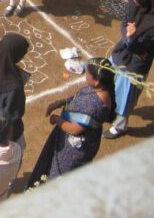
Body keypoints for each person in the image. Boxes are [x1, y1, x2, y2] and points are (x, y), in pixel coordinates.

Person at [27, 58, 115, 186]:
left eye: (87, 74)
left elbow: (75, 129)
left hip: (73, 150)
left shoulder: (94, 105)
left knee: (60, 175)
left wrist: (57, 120)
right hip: (73, 136)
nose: (85, 74)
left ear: (96, 81)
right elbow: (77, 98)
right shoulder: (99, 89)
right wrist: (60, 102)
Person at [105, 0, 154, 139]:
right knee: (108, 79)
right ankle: (110, 109)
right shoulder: (134, 2)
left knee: (125, 95)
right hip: (122, 52)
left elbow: (141, 49)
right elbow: (124, 22)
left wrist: (131, 37)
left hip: (134, 65)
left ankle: (120, 126)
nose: (132, 0)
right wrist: (127, 35)